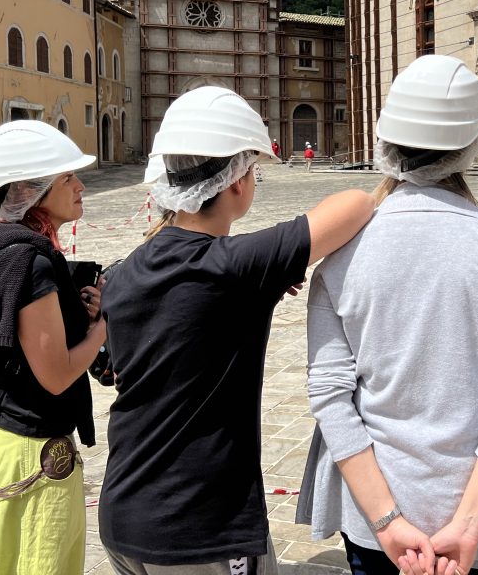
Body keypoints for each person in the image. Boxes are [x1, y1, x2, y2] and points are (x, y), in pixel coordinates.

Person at [98, 86, 374, 575]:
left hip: (124, 516)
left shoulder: (125, 272)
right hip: (199, 528)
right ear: (237, 183)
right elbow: (356, 203)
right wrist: (261, 271)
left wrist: (261, 278)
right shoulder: (235, 267)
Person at [296, 55, 478, 575]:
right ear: (473, 145)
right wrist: (470, 526)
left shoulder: (340, 256)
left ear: (386, 144)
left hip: (377, 525)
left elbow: (331, 397)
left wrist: (388, 522)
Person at [0, 120, 107, 575]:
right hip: (32, 457)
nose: (80, 186)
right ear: (31, 190)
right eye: (68, 177)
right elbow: (56, 375)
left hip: (8, 443)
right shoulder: (31, 264)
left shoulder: (1, 246)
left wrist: (80, 315)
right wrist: (101, 330)